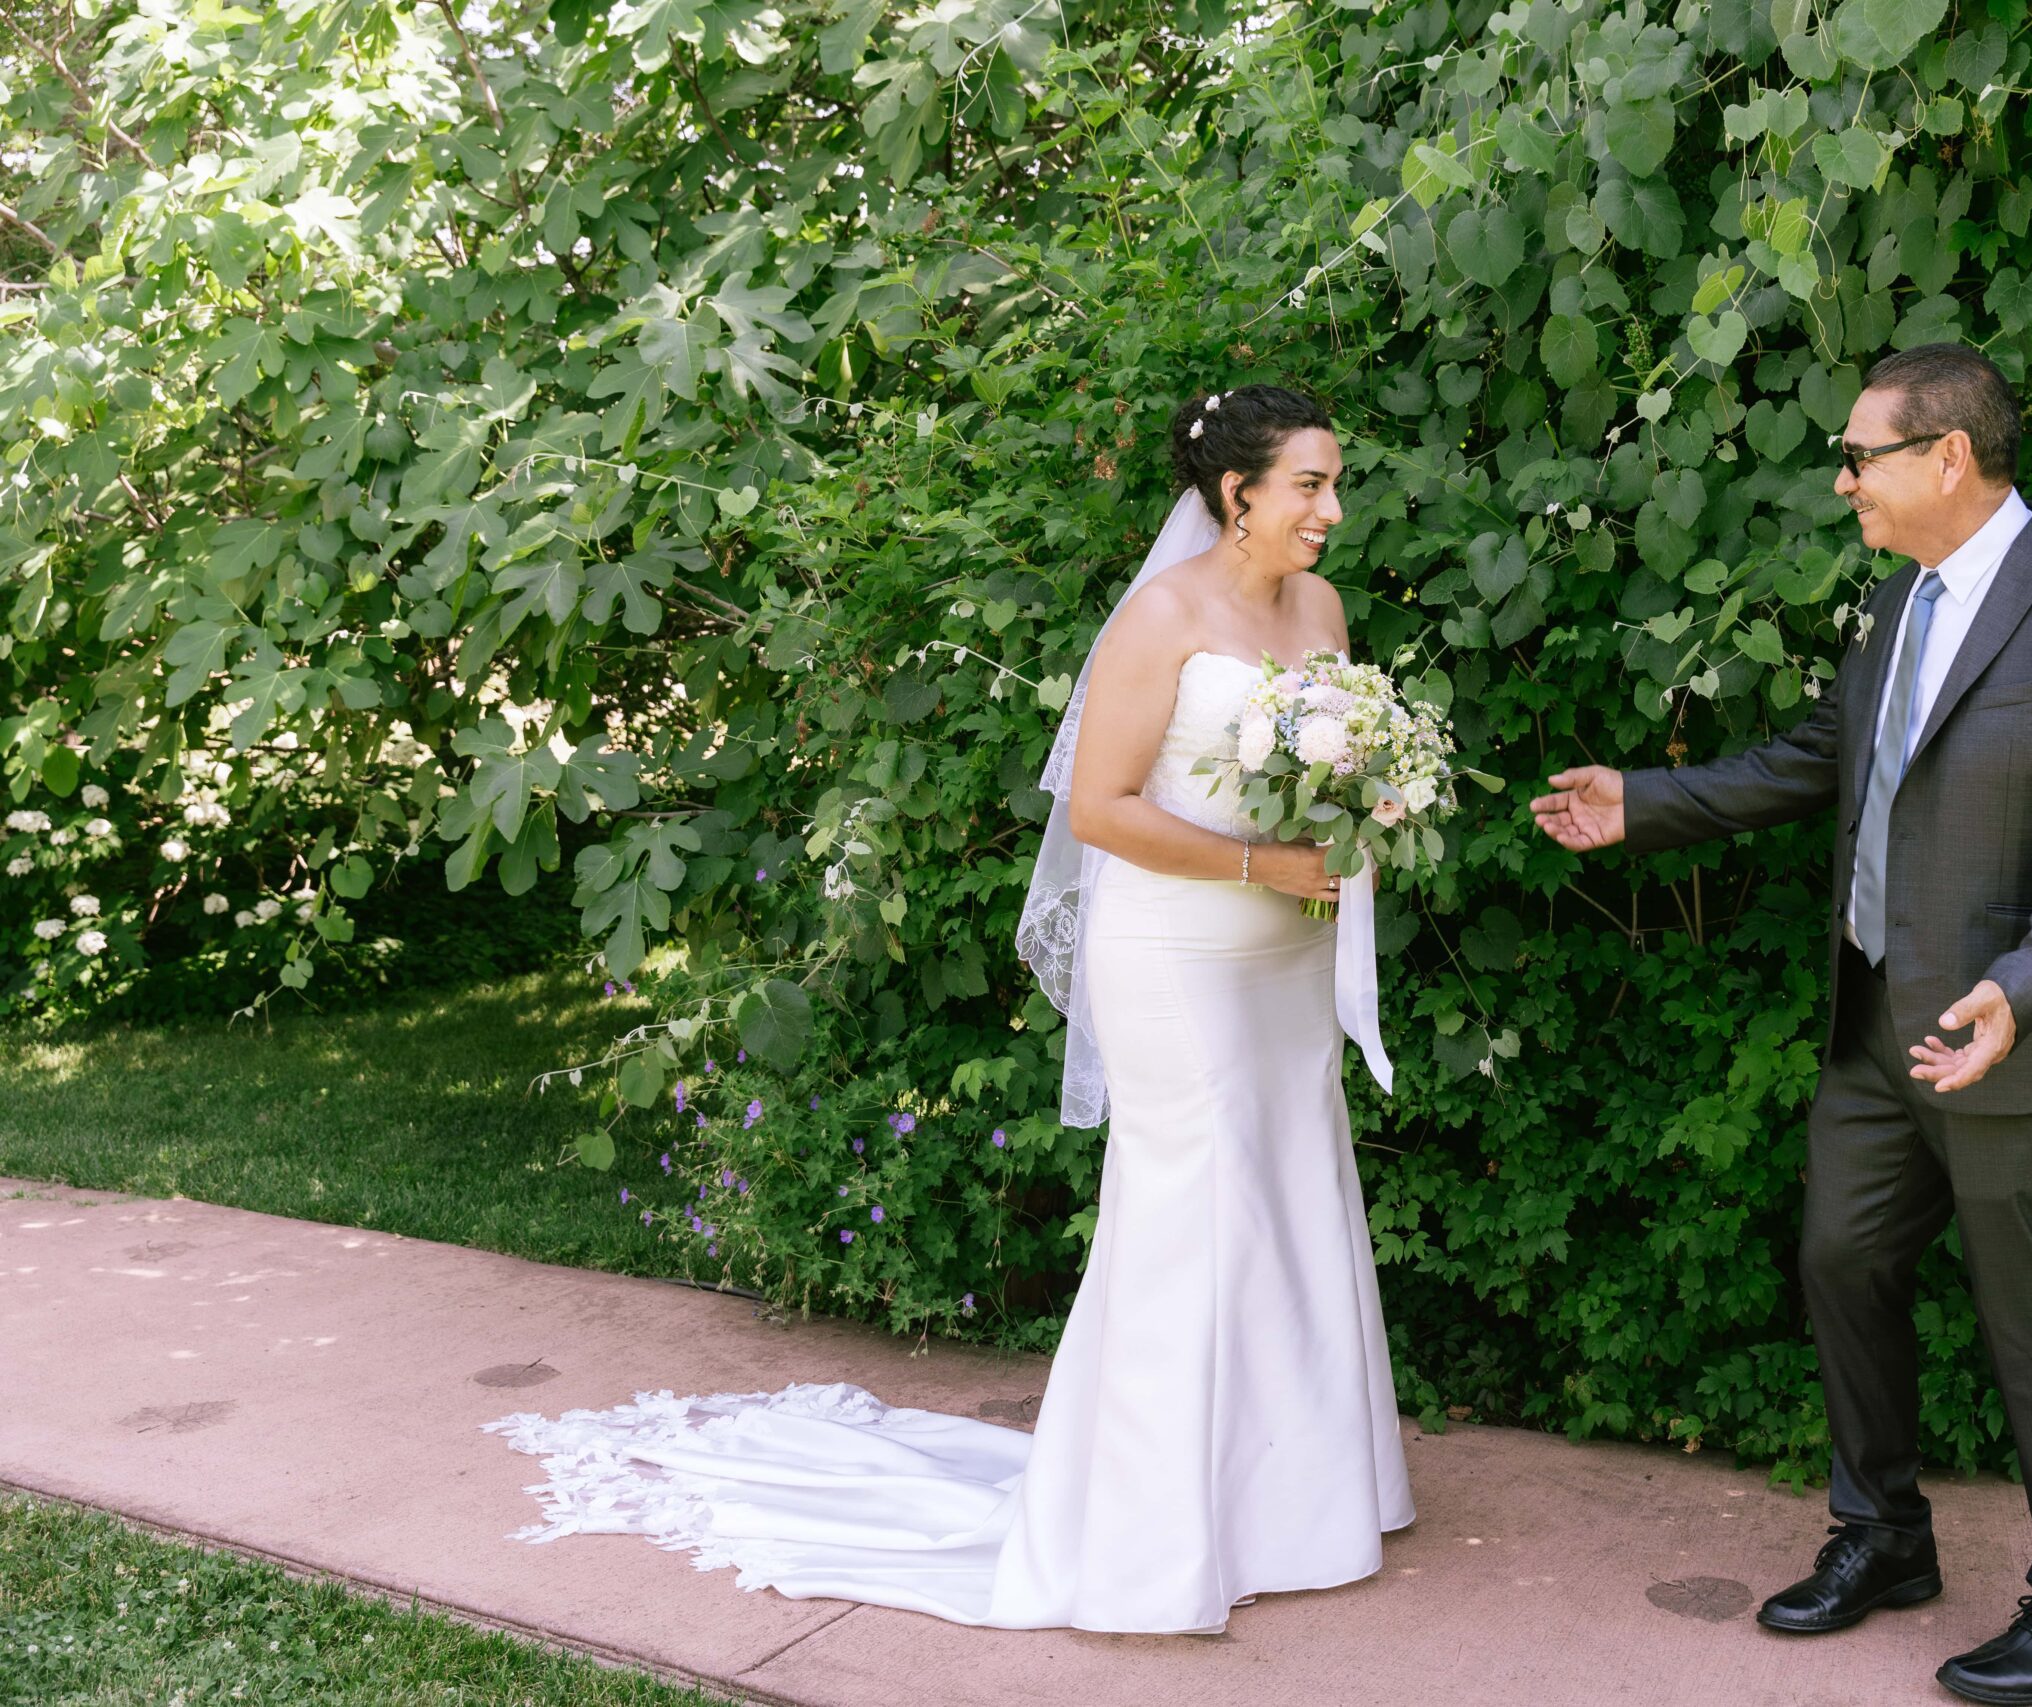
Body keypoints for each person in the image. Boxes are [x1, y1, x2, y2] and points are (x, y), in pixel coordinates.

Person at [488, 383, 1413, 1634]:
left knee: (1293, 1195)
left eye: (1333, 482)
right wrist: (1264, 864)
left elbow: (1325, 767)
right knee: (1192, 1213)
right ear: (1236, 493)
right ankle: (1148, 1538)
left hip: (1285, 956)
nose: (1331, 509)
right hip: (1177, 962)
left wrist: (1360, 820)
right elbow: (1100, 813)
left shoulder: (1321, 609)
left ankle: (1290, 1509)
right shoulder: (1160, 618)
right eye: (1309, 484)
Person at [1531, 344, 2032, 1705]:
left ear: (1946, 456)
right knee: (1842, 1259)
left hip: (2012, 1032)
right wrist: (1641, 801)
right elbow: (1820, 761)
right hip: (1876, 1026)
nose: (1844, 480)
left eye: (1862, 455)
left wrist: (2025, 983)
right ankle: (1882, 1535)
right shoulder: (1893, 604)